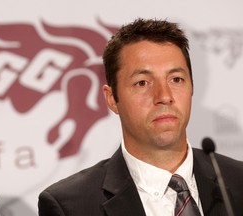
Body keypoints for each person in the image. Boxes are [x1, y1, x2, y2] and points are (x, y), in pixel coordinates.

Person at [38, 18, 243, 216]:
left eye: (176, 79)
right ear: (111, 99)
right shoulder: (70, 206)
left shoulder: (237, 181)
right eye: (142, 83)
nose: (164, 96)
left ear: (191, 88)